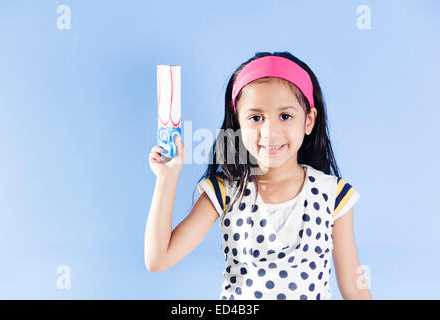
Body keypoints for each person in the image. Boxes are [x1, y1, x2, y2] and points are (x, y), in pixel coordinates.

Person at [145, 51, 372, 300]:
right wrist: (166, 178)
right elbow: (158, 259)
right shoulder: (225, 191)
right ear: (238, 123)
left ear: (309, 121)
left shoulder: (333, 195)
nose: (270, 131)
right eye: (256, 118)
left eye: (285, 116)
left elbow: (354, 288)